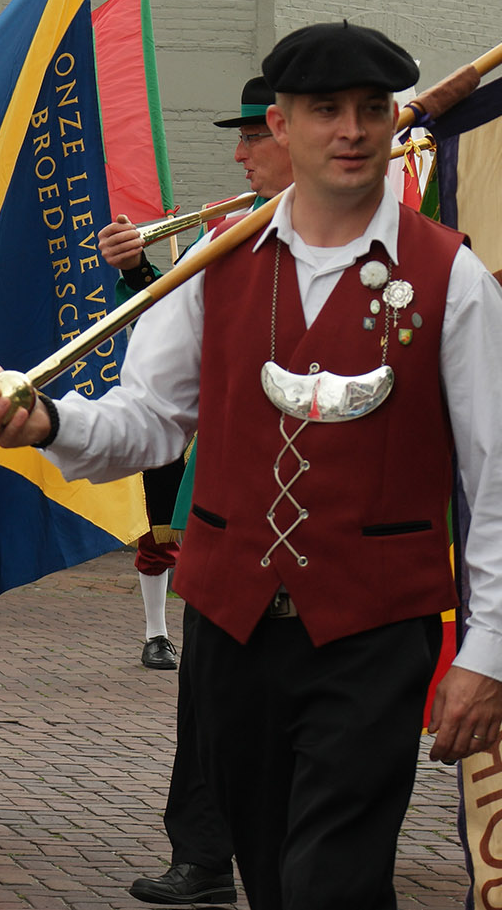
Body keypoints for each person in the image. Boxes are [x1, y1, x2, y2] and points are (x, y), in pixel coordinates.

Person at [0, 23, 502, 910]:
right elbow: (150, 421)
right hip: (229, 629)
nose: (351, 130)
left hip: (372, 633)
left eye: (370, 110)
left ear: (395, 122)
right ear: (280, 124)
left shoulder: (450, 276)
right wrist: (50, 421)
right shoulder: (214, 267)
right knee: (274, 878)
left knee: (334, 883)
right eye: (325, 111)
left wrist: (485, 653)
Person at [98, 75, 291, 906]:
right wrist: (137, 268)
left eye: (253, 135)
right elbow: (168, 344)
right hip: (232, 492)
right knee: (210, 693)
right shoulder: (224, 233)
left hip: (336, 507)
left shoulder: (391, 236)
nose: (239, 153)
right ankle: (204, 854)